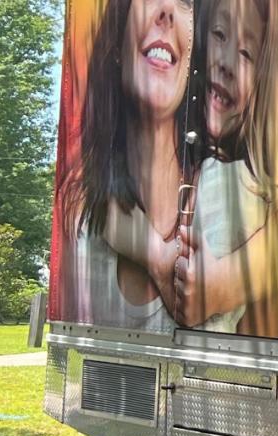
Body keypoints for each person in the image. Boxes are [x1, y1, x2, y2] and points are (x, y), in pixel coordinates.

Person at [60, 0, 198, 332]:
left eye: (185, 2)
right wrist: (161, 260)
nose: (165, 11)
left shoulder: (224, 197)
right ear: (118, 41)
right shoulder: (80, 219)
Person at [174, 0, 278, 333]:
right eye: (219, 34)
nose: (229, 63)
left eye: (247, 54)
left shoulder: (243, 187)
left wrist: (224, 284)